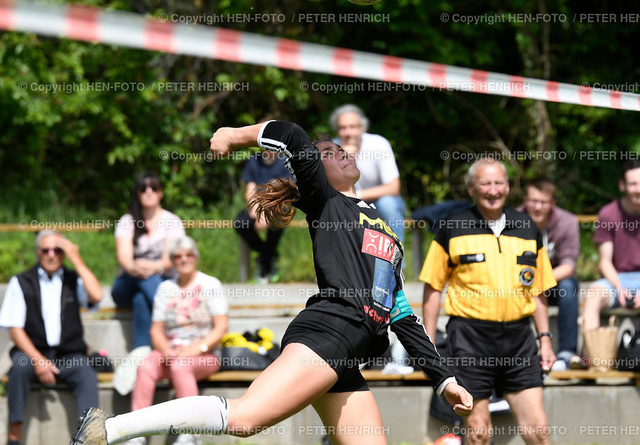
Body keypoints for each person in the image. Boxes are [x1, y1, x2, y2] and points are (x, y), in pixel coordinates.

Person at [71, 120, 472, 445]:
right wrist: (234, 135)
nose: (342, 152)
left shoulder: (385, 229)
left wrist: (444, 379)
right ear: (316, 172)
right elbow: (292, 135)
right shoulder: (327, 201)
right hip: (331, 330)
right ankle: (108, 431)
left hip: (352, 348)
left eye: (341, 148)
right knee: (245, 419)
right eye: (329, 153)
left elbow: (401, 313)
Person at [420, 158, 557, 445]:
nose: (492, 190)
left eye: (498, 183)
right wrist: (428, 343)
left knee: (538, 432)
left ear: (508, 187)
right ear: (471, 188)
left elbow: (540, 290)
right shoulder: (452, 227)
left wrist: (544, 338)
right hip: (470, 339)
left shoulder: (527, 226)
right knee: (479, 433)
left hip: (520, 339)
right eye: (485, 183)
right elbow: (433, 288)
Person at [0, 230, 103, 445]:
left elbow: (97, 296)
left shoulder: (73, 279)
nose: (51, 255)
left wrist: (76, 258)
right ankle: (15, 432)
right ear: (37, 252)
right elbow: (15, 329)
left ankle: (90, 437)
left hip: (68, 355)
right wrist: (39, 360)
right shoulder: (21, 282)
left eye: (57, 250)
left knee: (87, 375)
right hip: (31, 353)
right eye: (45, 250)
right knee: (19, 368)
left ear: (64, 253)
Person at [124, 236, 228, 445]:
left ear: (195, 257)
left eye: (188, 255)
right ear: (172, 260)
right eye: (178, 256)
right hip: (172, 351)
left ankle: (192, 432)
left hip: (205, 353)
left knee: (181, 366)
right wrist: (166, 350)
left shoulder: (210, 284)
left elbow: (221, 328)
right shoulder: (165, 288)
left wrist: (196, 349)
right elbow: (156, 330)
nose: (183, 259)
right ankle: (136, 433)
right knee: (146, 366)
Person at [111, 171, 185, 349]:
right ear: (137, 193)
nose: (149, 192)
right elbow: (124, 257)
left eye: (154, 187)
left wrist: (154, 268)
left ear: (161, 193)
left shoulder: (172, 221)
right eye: (143, 188)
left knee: (140, 299)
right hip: (128, 282)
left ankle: (141, 353)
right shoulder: (127, 221)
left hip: (163, 279)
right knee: (144, 279)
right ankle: (174, 317)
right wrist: (134, 268)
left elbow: (171, 259)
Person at [517, 177, 581, 370]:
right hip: (520, 283)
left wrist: (540, 281)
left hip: (554, 284)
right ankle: (518, 355)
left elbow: (569, 266)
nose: (537, 207)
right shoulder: (511, 220)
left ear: (553, 203)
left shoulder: (567, 222)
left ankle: (567, 353)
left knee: (569, 287)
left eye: (543, 202)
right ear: (525, 200)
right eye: (533, 201)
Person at [330, 104, 406, 249]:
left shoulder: (378, 144)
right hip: (348, 203)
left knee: (388, 204)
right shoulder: (332, 148)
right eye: (342, 128)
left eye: (352, 127)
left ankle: (394, 267)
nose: (348, 132)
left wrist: (358, 195)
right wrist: (346, 161)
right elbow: (331, 190)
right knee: (335, 208)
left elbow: (394, 187)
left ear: (362, 127)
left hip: (378, 202)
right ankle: (345, 266)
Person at [582, 160, 640, 336]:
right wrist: (620, 288)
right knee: (592, 297)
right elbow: (605, 262)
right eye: (633, 184)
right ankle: (593, 358)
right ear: (622, 185)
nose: (639, 189)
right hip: (616, 279)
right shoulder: (608, 214)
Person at [234, 150, 293, 283]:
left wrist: (267, 213)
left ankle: (264, 261)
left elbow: (285, 192)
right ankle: (268, 255)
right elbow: (250, 187)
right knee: (240, 223)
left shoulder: (286, 161)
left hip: (278, 206)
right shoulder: (254, 160)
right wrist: (255, 209)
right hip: (256, 205)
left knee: (277, 224)